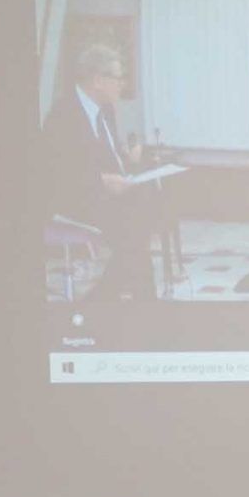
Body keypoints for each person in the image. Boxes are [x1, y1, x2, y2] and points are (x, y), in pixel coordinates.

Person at [43, 42, 154, 302]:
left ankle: (125, 297)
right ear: (98, 80)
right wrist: (102, 180)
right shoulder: (63, 115)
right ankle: (124, 299)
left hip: (103, 195)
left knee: (142, 211)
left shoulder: (105, 111)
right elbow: (55, 171)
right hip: (72, 199)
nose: (122, 84)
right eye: (117, 77)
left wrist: (129, 165)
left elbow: (110, 158)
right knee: (135, 229)